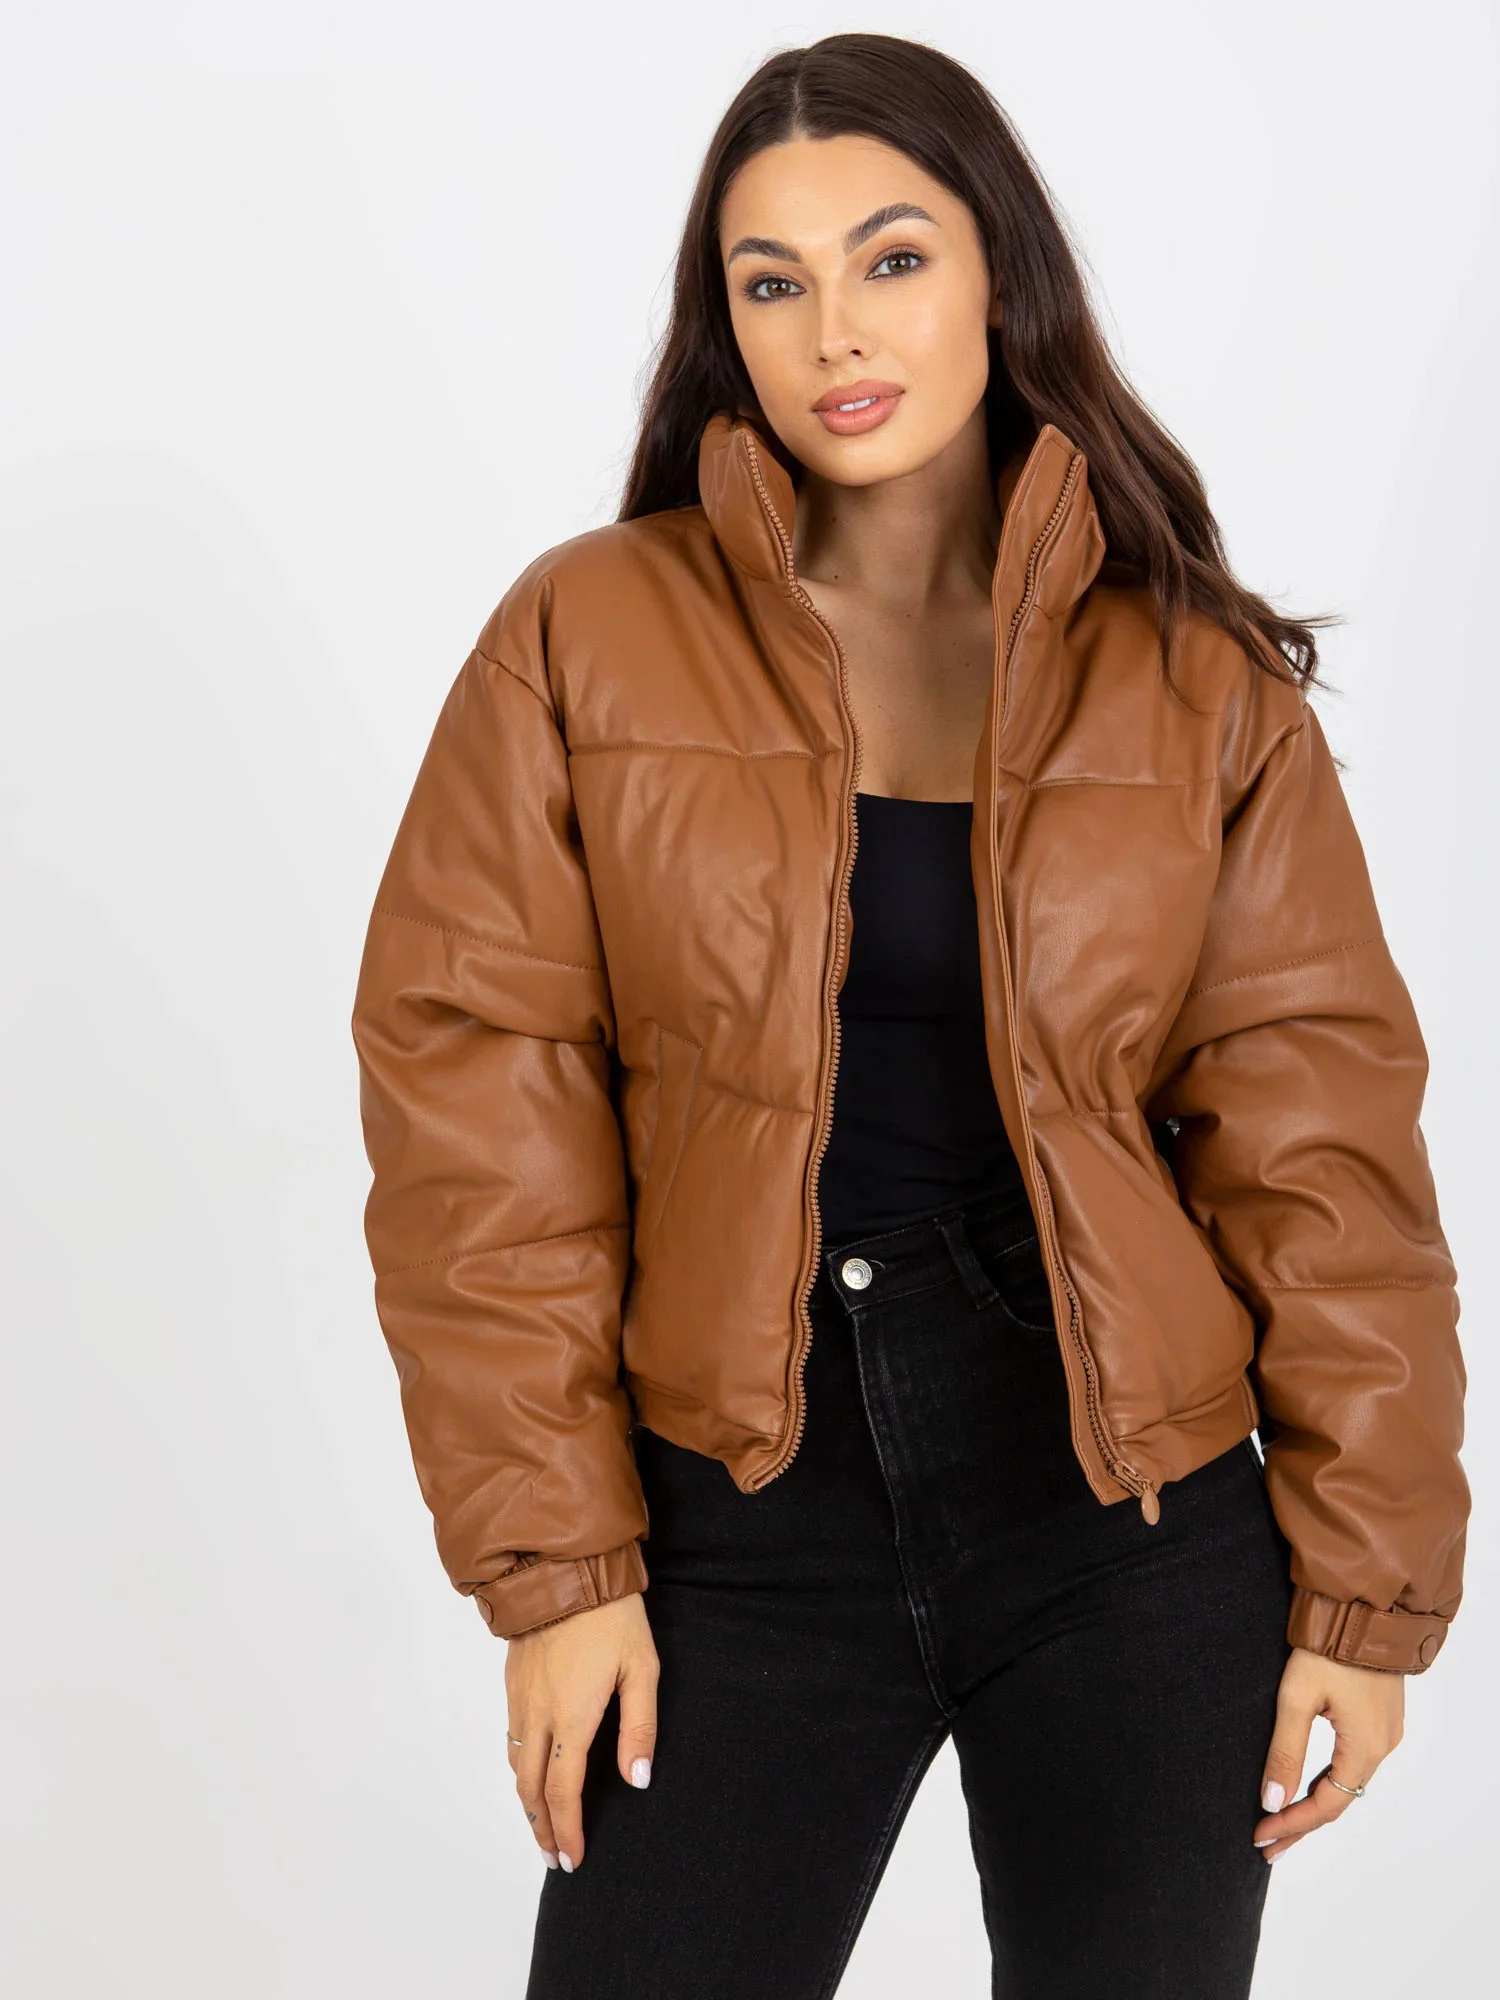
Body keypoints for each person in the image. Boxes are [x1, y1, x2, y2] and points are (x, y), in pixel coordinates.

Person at [350, 32, 1469, 1999]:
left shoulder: (1194, 683)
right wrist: (558, 1571)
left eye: (890, 258)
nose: (833, 331)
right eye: (770, 281)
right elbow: (478, 1117)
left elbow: (1319, 1143)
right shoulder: (584, 633)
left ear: (996, 272)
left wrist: (1365, 1591)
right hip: (734, 1504)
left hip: (1128, 1511)